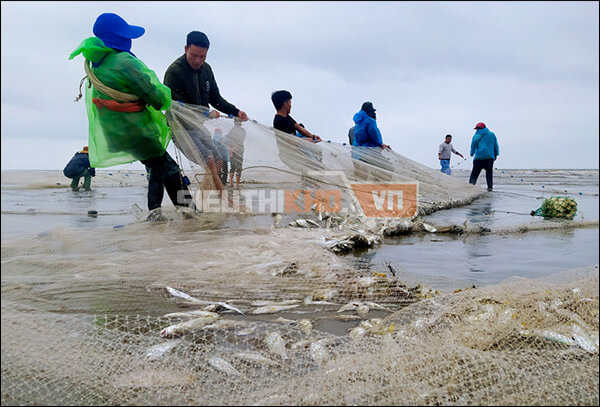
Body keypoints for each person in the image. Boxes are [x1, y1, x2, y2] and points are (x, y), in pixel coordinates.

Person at [69, 13, 195, 220]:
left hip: (117, 131)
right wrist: (164, 101)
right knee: (169, 168)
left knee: (157, 167)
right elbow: (152, 93)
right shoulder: (124, 61)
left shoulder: (97, 63)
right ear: (117, 37)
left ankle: (158, 214)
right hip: (136, 130)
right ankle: (188, 214)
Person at [163, 31, 248, 192]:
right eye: (194, 55)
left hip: (197, 127)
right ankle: (224, 199)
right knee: (209, 159)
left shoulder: (206, 70)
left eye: (202, 57)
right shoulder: (174, 72)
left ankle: (205, 198)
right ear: (186, 48)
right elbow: (177, 107)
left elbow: (216, 99)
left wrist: (236, 112)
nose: (198, 61)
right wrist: (206, 113)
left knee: (220, 159)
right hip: (181, 128)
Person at [351, 102, 391, 179]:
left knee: (362, 177)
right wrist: (381, 144)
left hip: (356, 154)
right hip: (369, 153)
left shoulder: (357, 123)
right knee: (388, 168)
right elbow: (374, 136)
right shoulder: (370, 121)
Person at [469, 122, 499, 191]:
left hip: (478, 158)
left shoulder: (476, 136)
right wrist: (496, 154)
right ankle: (490, 188)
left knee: (474, 175)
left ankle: (470, 187)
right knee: (489, 174)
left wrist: (472, 153)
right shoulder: (492, 134)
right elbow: (495, 146)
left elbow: (473, 145)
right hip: (489, 158)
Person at [226, 118, 247, 189]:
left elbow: (227, 141)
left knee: (234, 167)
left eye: (240, 121)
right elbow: (240, 142)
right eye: (239, 121)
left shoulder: (231, 130)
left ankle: (232, 183)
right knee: (238, 167)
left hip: (234, 150)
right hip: (238, 150)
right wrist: (231, 149)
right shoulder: (241, 131)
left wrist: (230, 149)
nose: (240, 123)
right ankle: (236, 184)